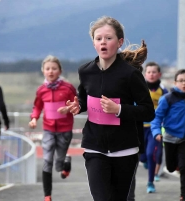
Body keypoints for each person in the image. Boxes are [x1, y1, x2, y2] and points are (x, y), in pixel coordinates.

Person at [66, 16, 155, 201]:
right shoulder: (86, 71)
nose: (103, 42)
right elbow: (84, 97)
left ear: (120, 42)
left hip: (125, 149)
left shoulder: (130, 74)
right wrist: (78, 105)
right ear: (94, 44)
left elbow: (148, 111)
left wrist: (119, 109)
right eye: (99, 39)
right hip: (94, 146)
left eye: (108, 38)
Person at [151, 69, 185, 201]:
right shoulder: (167, 99)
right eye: (181, 81)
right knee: (170, 167)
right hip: (169, 137)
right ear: (175, 83)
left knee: (184, 167)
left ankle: (184, 196)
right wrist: (156, 132)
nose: (184, 83)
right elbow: (157, 117)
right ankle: (175, 164)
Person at [28, 55, 76, 201]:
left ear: (59, 70)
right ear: (43, 71)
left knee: (58, 165)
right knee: (47, 160)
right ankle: (47, 195)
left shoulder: (68, 88)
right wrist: (34, 118)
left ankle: (66, 162)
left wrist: (68, 108)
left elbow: (76, 104)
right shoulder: (41, 90)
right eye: (47, 69)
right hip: (48, 129)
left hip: (65, 129)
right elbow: (37, 106)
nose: (51, 71)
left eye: (54, 68)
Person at [139, 62, 168, 193]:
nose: (151, 74)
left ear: (159, 74)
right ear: (145, 74)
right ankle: (144, 160)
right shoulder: (139, 87)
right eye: (149, 72)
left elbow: (169, 109)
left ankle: (150, 182)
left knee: (151, 154)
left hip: (155, 127)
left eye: (154, 72)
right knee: (142, 156)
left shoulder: (164, 91)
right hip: (140, 126)